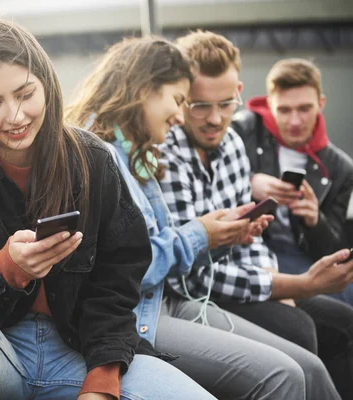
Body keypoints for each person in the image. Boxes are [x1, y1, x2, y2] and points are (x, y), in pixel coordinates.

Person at [0, 18, 214, 400]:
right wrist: (7, 271)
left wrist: (101, 384)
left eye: (25, 93)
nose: (15, 116)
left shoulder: (93, 160)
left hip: (80, 354)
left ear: (46, 83)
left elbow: (118, 284)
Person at [66, 34, 340, 399]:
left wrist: (227, 237)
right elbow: (128, 270)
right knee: (285, 373)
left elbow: (161, 253)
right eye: (182, 101)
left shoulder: (137, 150)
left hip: (166, 299)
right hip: (143, 315)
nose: (181, 116)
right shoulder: (102, 155)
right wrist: (202, 235)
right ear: (144, 90)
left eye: (225, 104)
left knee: (306, 368)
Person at [158, 29, 353, 398]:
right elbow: (189, 278)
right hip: (196, 294)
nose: (216, 119)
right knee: (299, 330)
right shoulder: (168, 151)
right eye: (200, 105)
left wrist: (274, 279)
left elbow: (251, 239)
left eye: (227, 103)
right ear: (179, 98)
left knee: (343, 321)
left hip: (245, 276)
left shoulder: (231, 142)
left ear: (239, 93)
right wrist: (287, 287)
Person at [231, 58, 353, 307]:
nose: (295, 121)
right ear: (269, 104)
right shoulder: (240, 131)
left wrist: (315, 220)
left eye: (304, 109)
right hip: (246, 248)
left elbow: (337, 249)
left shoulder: (340, 167)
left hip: (300, 254)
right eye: (284, 110)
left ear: (321, 104)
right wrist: (250, 182)